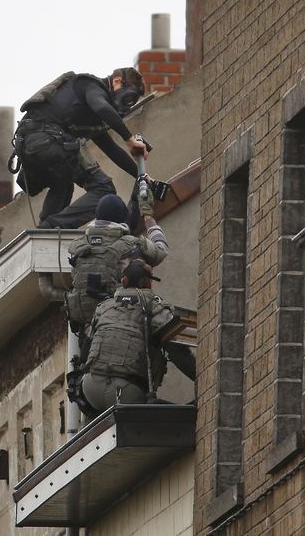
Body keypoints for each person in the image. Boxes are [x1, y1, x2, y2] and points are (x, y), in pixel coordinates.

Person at [12, 68, 149, 229]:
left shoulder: (90, 114)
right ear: (117, 81)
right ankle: (51, 227)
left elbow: (112, 150)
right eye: (129, 97)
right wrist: (130, 139)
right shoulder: (91, 85)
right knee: (103, 188)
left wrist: (142, 176)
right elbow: (103, 108)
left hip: (31, 144)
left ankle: (44, 234)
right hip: (48, 139)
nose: (128, 104)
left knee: (62, 184)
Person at [80, 259, 190, 414]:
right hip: (126, 393)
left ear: (124, 281)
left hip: (90, 389)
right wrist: (202, 378)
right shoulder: (155, 309)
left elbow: (85, 351)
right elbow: (178, 353)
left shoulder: (104, 307)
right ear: (146, 282)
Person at [65, 193, 168, 340]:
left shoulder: (78, 246)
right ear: (121, 218)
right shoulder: (131, 244)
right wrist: (148, 218)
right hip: (122, 328)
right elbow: (161, 251)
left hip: (88, 333)